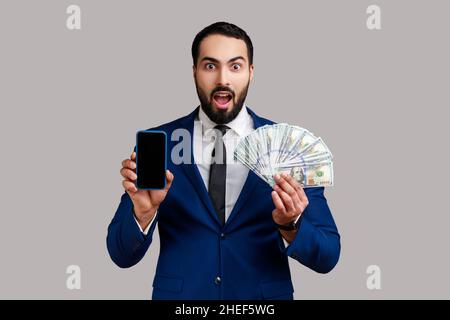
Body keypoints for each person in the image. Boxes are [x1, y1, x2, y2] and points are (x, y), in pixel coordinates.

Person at [107, 21, 340, 300]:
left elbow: (328, 256)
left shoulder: (286, 148)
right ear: (194, 72)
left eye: (235, 66)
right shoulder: (160, 144)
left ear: (251, 73)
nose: (222, 80)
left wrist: (291, 225)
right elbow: (120, 254)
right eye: (210, 66)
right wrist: (142, 214)